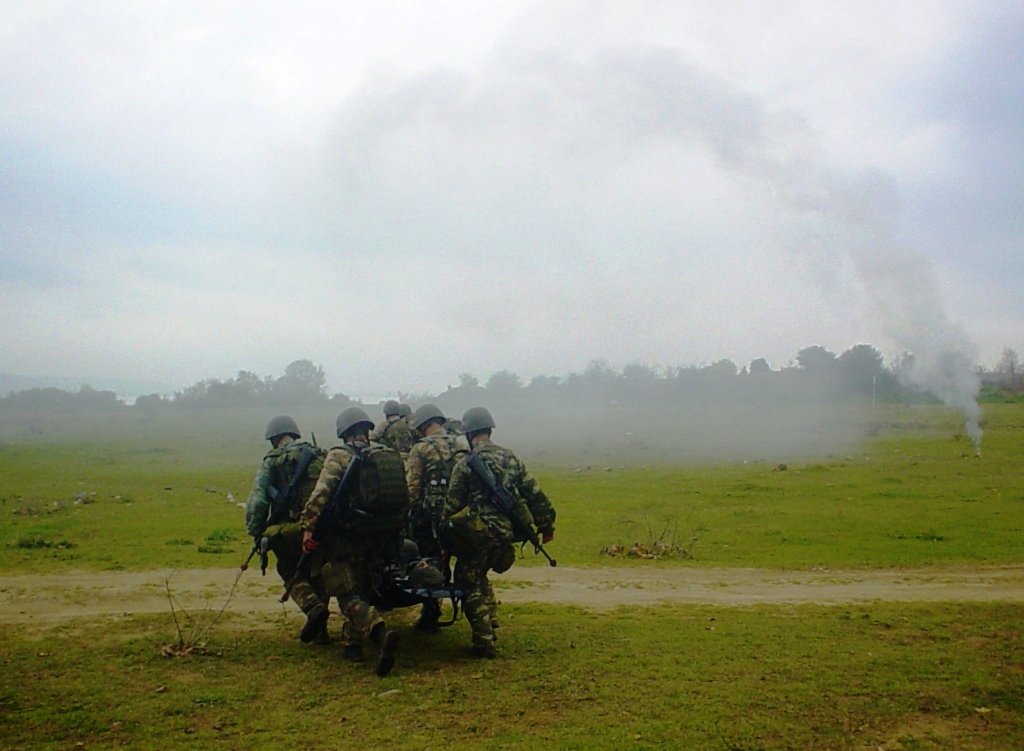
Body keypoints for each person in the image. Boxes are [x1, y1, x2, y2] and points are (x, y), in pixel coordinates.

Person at [442, 406, 556, 658]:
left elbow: (452, 506)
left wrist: (443, 532)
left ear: (469, 434)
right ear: (489, 430)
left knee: (466, 580)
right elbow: (535, 494)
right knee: (479, 575)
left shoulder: (465, 464)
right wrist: (546, 526)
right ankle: (490, 619)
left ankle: (483, 641)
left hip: (477, 534)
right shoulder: (510, 458)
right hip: (505, 532)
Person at [301, 406, 403, 676]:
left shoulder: (339, 455)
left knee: (347, 594)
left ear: (344, 431)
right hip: (381, 536)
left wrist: (308, 527)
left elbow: (321, 493)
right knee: (364, 588)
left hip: (347, 537)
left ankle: (379, 632)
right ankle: (352, 646)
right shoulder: (385, 454)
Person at [245, 415, 329, 644]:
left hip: (293, 529)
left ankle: (313, 608)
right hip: (321, 526)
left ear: (274, 438)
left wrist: (256, 531)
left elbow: (258, 500)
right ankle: (321, 630)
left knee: (289, 568)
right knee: (317, 571)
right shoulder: (319, 455)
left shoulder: (273, 460)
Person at [404, 403, 468, 630]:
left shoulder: (421, 448)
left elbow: (412, 489)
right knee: (451, 560)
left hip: (429, 521)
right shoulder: (461, 445)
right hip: (460, 517)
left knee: (429, 563)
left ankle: (431, 611)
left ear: (422, 425)